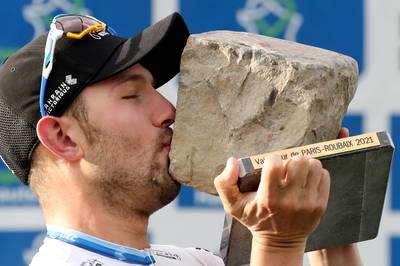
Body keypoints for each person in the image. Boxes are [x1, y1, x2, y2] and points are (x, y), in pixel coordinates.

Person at [0, 12, 362, 265]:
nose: (169, 110)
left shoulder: (197, 262)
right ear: (63, 137)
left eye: (155, 89)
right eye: (131, 95)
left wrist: (325, 227)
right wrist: (278, 241)